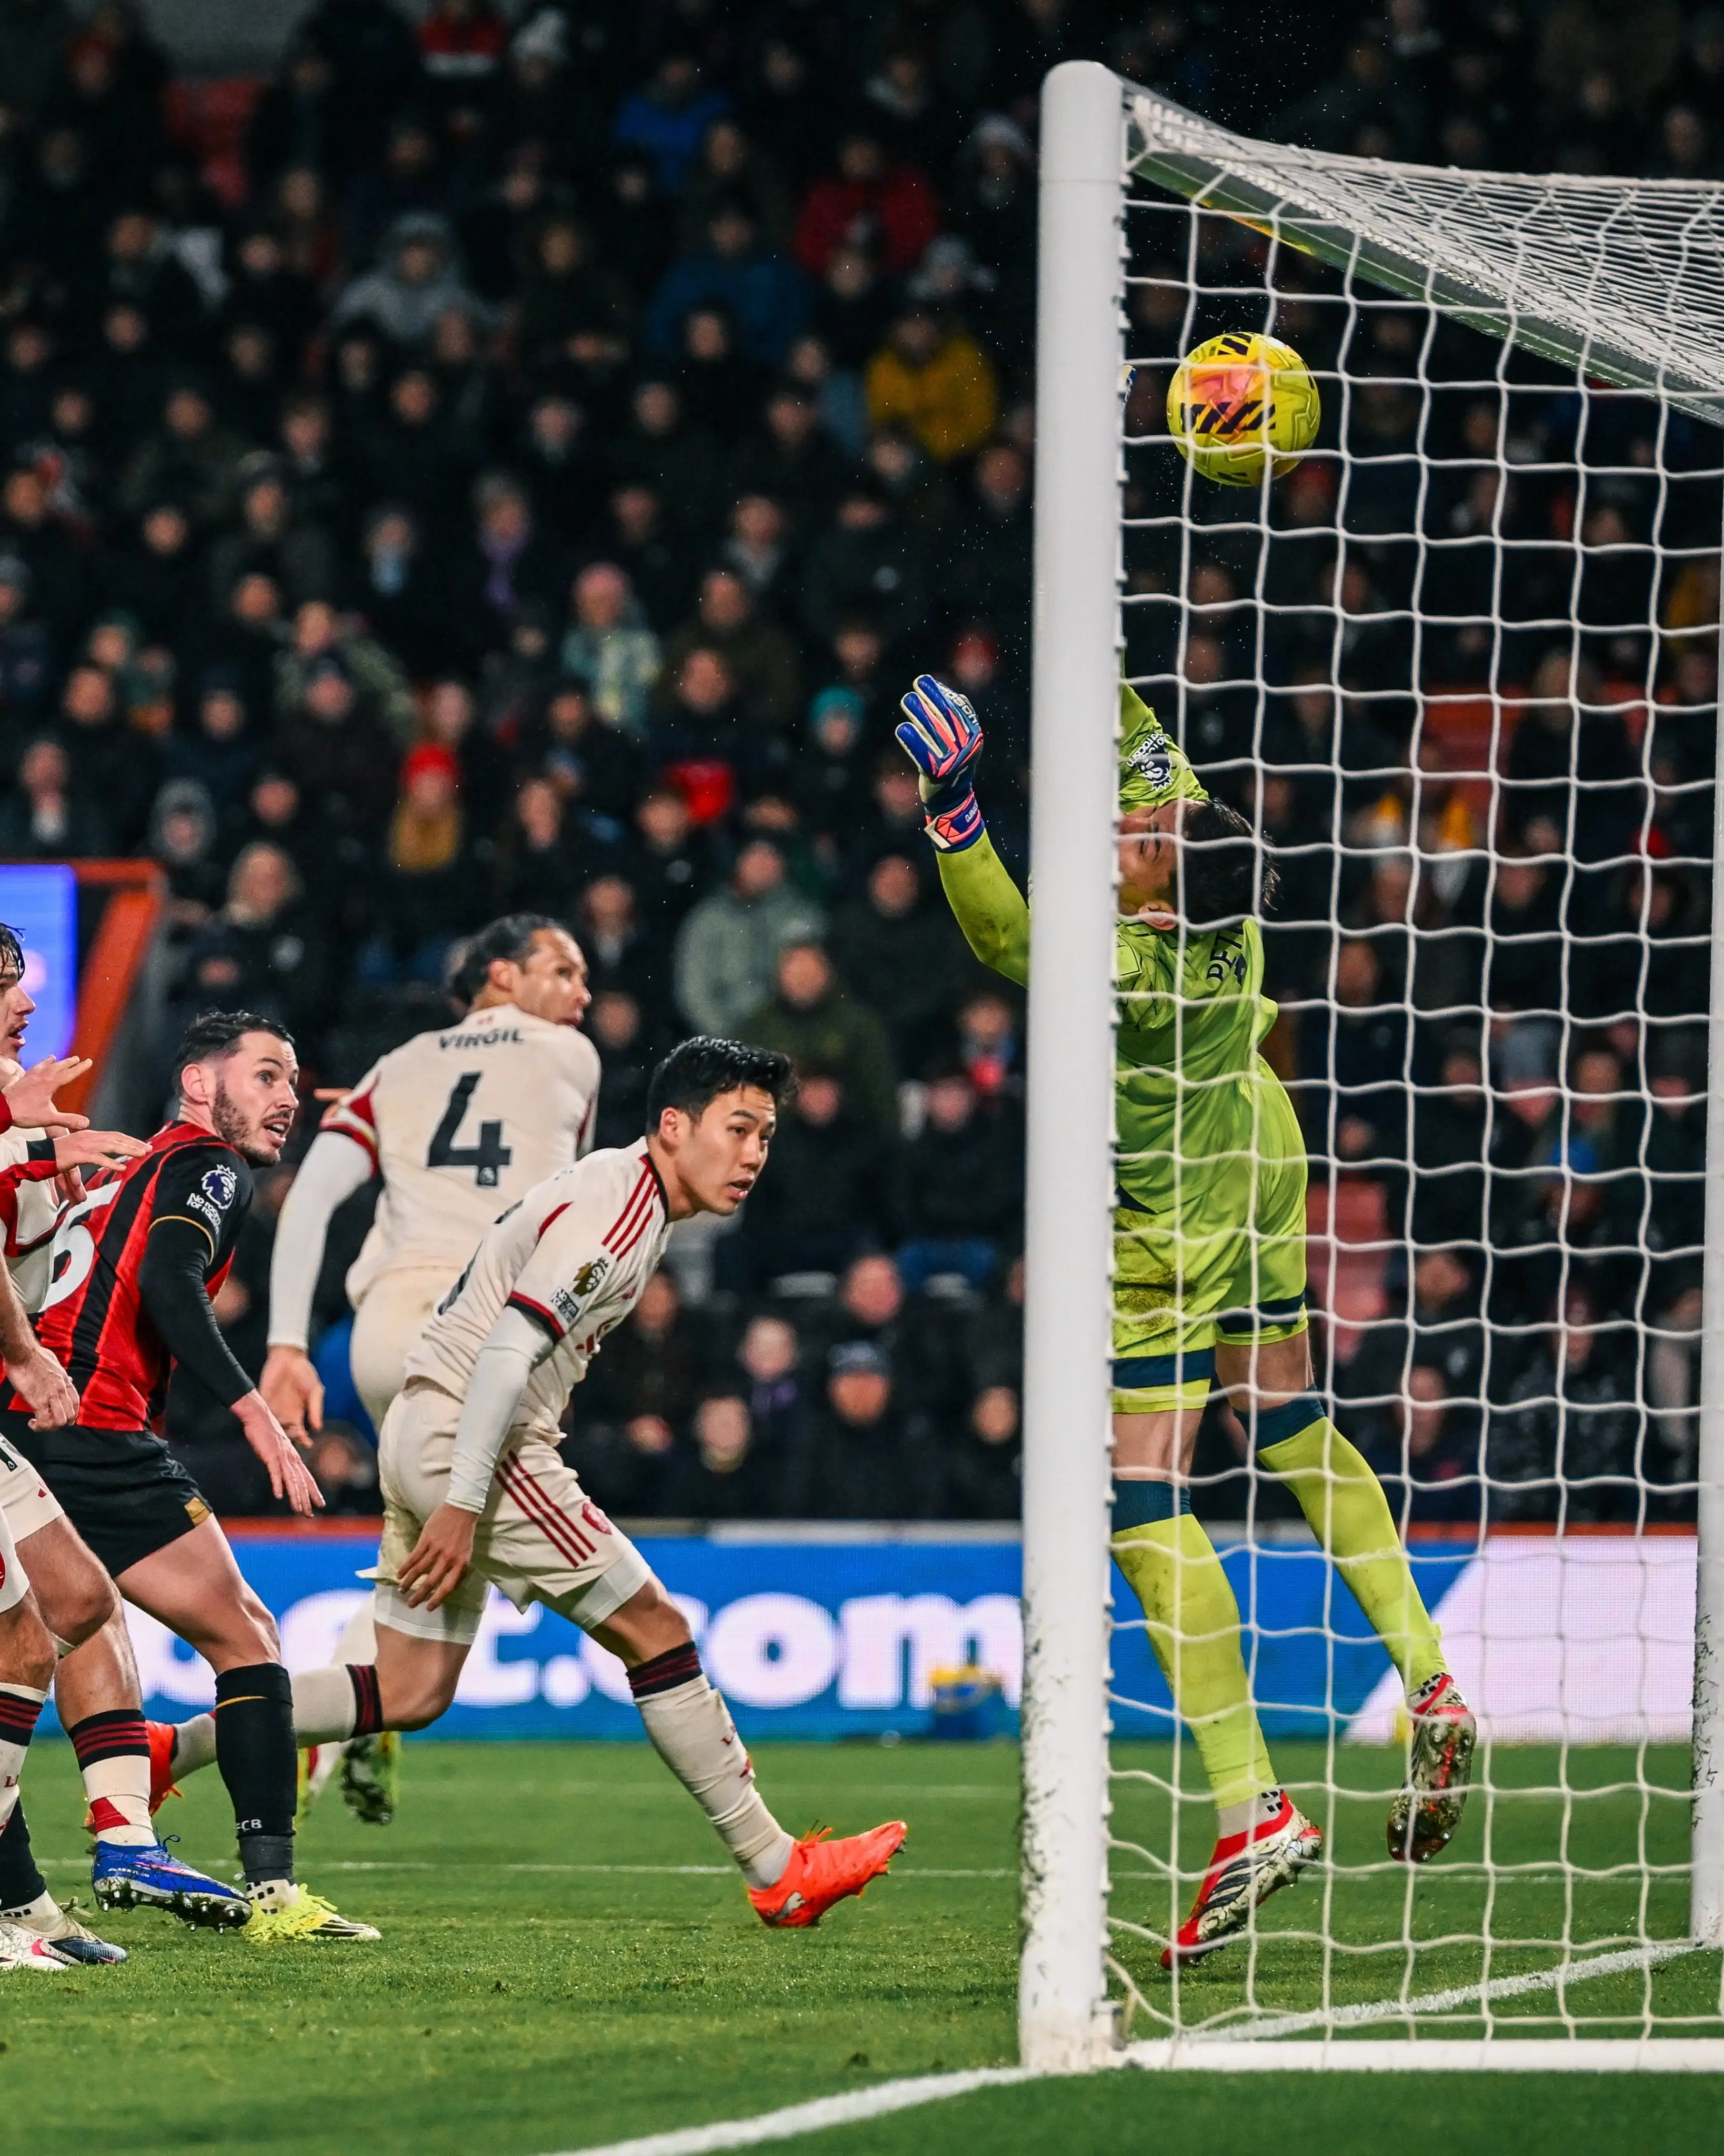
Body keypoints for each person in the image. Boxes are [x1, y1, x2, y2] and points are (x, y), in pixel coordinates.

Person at [894, 672, 1476, 1964]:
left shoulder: (1132, 957)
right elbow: (1135, 732)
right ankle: (1429, 1669)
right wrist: (1078, 668)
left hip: (1167, 1210)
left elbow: (1005, 938)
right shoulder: (1214, 852)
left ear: (1159, 875)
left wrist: (953, 807)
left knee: (1139, 1489)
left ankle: (1251, 1801)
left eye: (1136, 840)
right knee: (1291, 1413)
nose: (1122, 833)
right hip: (1261, 1148)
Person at [168, 1036, 906, 1929]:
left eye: (767, 1136)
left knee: (408, 1691)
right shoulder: (622, 1211)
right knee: (657, 1630)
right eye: (739, 1128)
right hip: (476, 1440)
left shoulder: (624, 1190)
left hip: (423, 1418)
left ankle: (171, 1750)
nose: (753, 1154)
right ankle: (777, 1866)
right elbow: (511, 1351)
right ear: (674, 1127)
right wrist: (466, 1502)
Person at [1, 1011, 376, 1942]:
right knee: (245, 1639)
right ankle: (271, 1893)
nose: (287, 1098)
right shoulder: (206, 1166)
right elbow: (169, 1284)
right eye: (265, 1076)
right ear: (200, 1086)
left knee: (69, 1627)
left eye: (293, 1080)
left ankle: (105, 1850)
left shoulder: (126, 1165)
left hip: (37, 1421)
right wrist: (258, 1417)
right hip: (93, 1425)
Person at [250, 913, 598, 1819]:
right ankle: (295, 1723)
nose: (582, 994)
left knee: (424, 1546)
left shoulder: (392, 1069)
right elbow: (574, 1210)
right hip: (484, 1326)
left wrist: (288, 1343)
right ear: (499, 977)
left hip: (382, 1330)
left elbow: (312, 1200)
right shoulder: (574, 1059)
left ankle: (347, 1727)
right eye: (561, 970)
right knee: (469, 1554)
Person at [0, 924, 234, 1961]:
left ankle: (48, 1888)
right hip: (19, 1389)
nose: (25, 1002)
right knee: (39, 1619)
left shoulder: (21, 1097)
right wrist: (29, 1357)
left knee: (74, 1598)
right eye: (8, 986)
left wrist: (58, 1157)